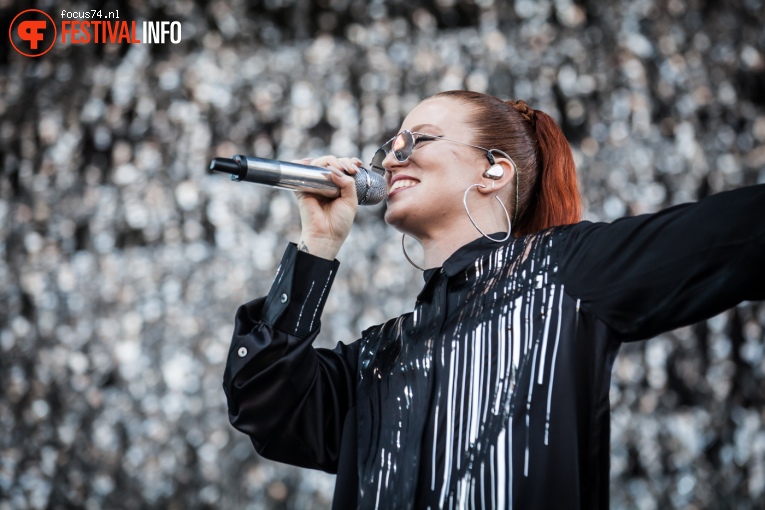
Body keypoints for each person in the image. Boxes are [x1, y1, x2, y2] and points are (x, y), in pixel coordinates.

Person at [222, 90, 765, 509]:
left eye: (417, 140)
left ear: (494, 169)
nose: (389, 160)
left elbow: (741, 233)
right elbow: (266, 402)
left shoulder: (568, 268)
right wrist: (317, 245)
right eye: (389, 147)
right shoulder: (373, 359)